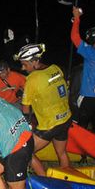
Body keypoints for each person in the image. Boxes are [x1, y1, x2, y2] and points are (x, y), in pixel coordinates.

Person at [16, 43, 72, 175]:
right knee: (62, 153)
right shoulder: (56, 68)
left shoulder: (32, 79)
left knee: (25, 151)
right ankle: (68, 178)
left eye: (25, 64)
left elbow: (25, 107)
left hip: (50, 124)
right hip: (65, 118)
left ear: (35, 61)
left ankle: (45, 181)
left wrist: (27, 125)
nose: (22, 68)